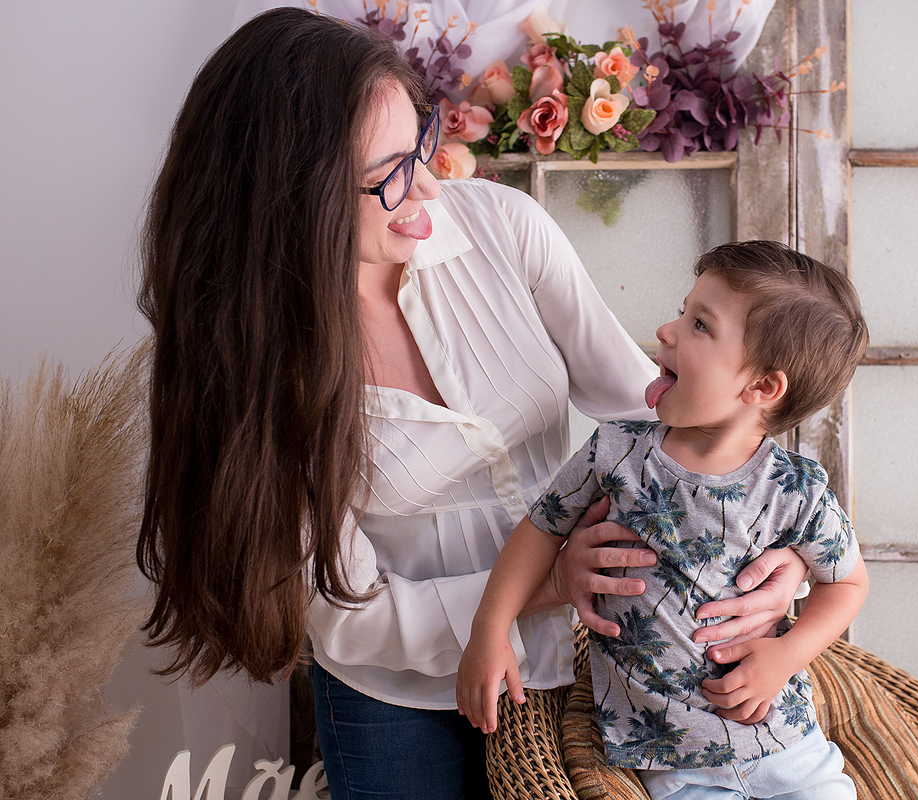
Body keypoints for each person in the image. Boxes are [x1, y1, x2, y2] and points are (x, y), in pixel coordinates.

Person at [136, 9, 806, 800]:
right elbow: (344, 615)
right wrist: (547, 580)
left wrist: (784, 548)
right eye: (387, 172)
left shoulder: (503, 230)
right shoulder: (254, 370)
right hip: (397, 690)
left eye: (420, 140)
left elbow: (668, 411)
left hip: (589, 651)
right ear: (288, 200)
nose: (428, 183)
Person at [458, 241, 871, 800]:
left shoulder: (795, 488)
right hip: (675, 767)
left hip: (789, 749)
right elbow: (540, 530)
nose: (667, 330)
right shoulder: (615, 453)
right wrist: (490, 627)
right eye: (684, 311)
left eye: (700, 324)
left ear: (761, 388)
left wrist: (786, 655)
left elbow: (847, 582)